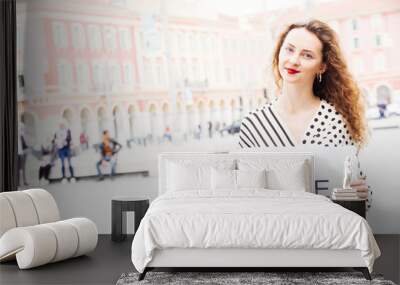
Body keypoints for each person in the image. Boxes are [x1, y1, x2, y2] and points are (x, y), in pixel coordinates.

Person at [238, 20, 367, 149]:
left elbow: (347, 169)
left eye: (307, 55)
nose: (294, 60)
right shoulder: (253, 124)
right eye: (289, 49)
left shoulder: (335, 122)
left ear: (322, 67)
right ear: (279, 52)